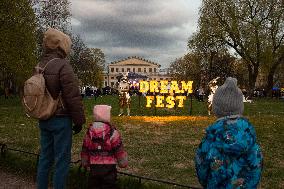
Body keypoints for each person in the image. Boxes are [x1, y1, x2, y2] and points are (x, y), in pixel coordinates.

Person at [37, 28, 86, 189]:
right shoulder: (63, 66)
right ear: (61, 45)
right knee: (62, 160)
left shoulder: (40, 65)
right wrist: (79, 121)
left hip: (44, 117)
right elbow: (72, 97)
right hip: (60, 119)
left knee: (45, 158)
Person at [195, 77, 263, 189]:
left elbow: (201, 169)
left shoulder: (209, 140)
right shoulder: (250, 139)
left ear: (216, 109)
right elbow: (257, 167)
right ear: (240, 107)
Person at [81, 105, 128, 189]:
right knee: (109, 184)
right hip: (109, 166)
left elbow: (85, 148)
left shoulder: (89, 132)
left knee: (93, 184)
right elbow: (118, 148)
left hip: (94, 165)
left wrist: (85, 161)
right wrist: (122, 161)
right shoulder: (112, 132)